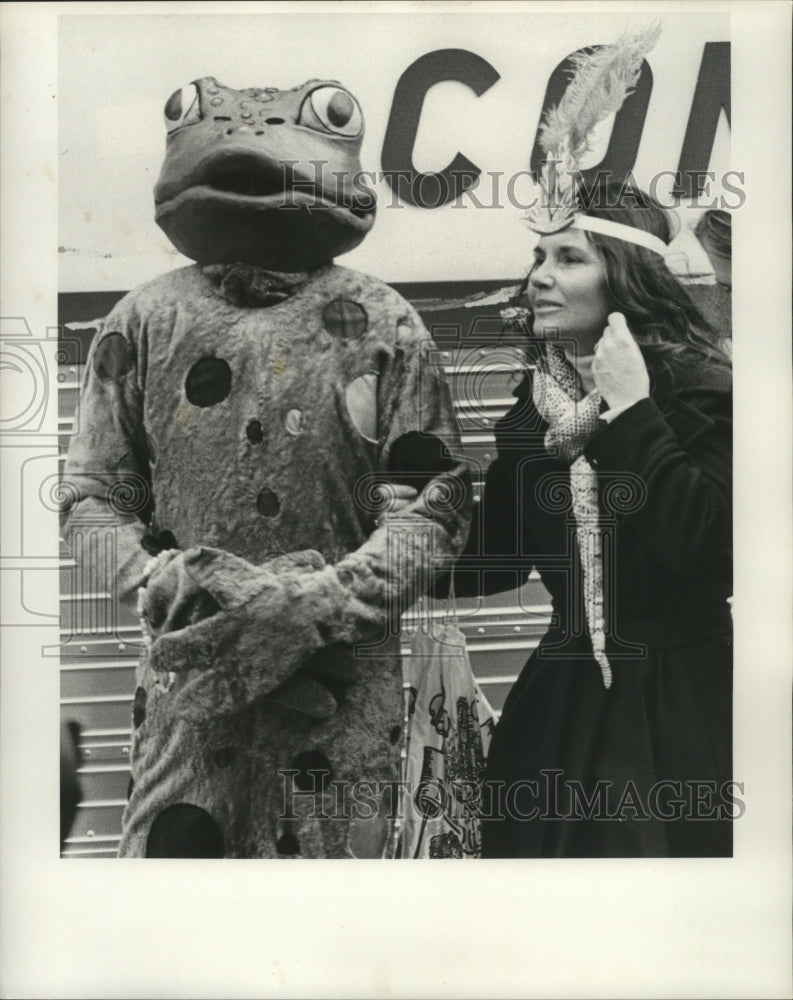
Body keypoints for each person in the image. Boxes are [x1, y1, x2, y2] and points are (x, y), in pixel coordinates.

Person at [451, 179, 733, 857]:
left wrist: (632, 411)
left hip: (685, 703)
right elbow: (490, 564)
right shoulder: (536, 404)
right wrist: (407, 491)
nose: (539, 279)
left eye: (569, 259)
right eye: (538, 259)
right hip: (560, 708)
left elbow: (700, 548)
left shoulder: (706, 391)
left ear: (626, 275)